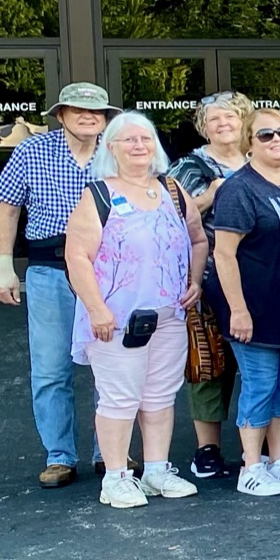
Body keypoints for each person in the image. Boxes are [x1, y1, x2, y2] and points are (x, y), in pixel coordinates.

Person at [63, 111, 207, 507]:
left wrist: (194, 281)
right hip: (117, 318)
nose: (138, 146)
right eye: (128, 140)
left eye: (145, 139)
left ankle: (156, 470)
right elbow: (77, 256)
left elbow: (198, 239)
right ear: (111, 148)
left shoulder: (173, 189)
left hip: (168, 315)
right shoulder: (99, 195)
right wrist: (96, 309)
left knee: (160, 396)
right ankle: (115, 477)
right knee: (119, 398)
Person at [0, 81, 113, 489]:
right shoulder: (30, 151)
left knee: (110, 366)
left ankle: (108, 453)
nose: (88, 117)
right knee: (50, 368)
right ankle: (60, 456)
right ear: (60, 115)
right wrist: (4, 268)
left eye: (96, 112)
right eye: (78, 110)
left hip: (108, 272)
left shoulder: (116, 153)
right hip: (49, 269)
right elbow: (8, 211)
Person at [210, 106, 280, 497]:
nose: (276, 140)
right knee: (259, 385)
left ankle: (278, 460)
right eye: (265, 135)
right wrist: (238, 309)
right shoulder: (238, 188)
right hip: (256, 308)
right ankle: (251, 466)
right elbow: (224, 254)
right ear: (248, 143)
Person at [167, 90, 251, 481]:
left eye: (230, 117)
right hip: (210, 275)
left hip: (261, 276)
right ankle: (208, 450)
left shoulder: (261, 157)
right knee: (210, 362)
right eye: (214, 120)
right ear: (204, 128)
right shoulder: (190, 165)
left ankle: (265, 443)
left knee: (262, 362)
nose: (223, 124)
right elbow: (175, 213)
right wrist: (211, 195)